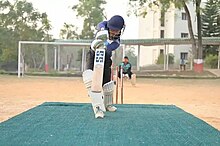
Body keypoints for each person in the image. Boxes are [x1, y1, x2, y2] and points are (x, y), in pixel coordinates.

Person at [82, 15, 125, 118]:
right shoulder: (104, 27)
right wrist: (101, 31)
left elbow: (109, 48)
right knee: (89, 78)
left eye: (116, 31)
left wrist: (103, 44)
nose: (114, 32)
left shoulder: (116, 42)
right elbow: (100, 24)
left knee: (107, 83)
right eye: (112, 30)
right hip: (93, 55)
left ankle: (108, 104)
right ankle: (98, 107)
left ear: (121, 30)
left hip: (105, 58)